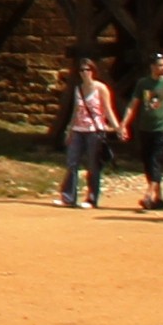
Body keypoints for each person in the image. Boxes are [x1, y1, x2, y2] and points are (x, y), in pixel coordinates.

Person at [57, 59, 117, 211]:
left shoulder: (101, 88)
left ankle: (92, 198)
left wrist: (118, 128)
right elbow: (76, 110)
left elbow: (108, 110)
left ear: (93, 71)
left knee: (93, 165)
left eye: (87, 70)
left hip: (94, 131)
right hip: (78, 129)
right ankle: (68, 197)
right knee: (72, 162)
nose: (85, 73)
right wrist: (69, 130)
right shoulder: (78, 89)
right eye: (82, 71)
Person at [131, 53, 163, 217]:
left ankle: (149, 194)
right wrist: (123, 124)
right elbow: (133, 104)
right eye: (161, 65)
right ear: (152, 66)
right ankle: (159, 198)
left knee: (156, 160)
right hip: (145, 128)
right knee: (148, 162)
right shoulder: (143, 83)